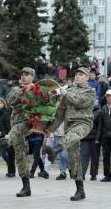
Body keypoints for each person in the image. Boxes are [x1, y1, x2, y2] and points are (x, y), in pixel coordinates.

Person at [43, 67, 96, 201]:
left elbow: (80, 101)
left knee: (73, 135)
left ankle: (55, 149)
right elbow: (61, 113)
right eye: (76, 74)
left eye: (81, 74)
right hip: (69, 124)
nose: (77, 76)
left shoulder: (90, 91)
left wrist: (65, 93)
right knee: (74, 157)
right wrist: (51, 128)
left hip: (83, 123)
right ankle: (80, 190)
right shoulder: (68, 92)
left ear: (87, 77)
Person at [0, 67, 36, 197]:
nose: (23, 77)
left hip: (28, 123)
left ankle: (3, 143)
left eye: (26, 74)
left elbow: (40, 103)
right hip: (15, 125)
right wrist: (22, 91)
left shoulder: (38, 89)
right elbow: (9, 101)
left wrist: (31, 91)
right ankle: (26, 187)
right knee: (20, 156)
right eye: (22, 74)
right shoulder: (16, 89)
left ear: (32, 76)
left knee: (16, 131)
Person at [80, 101, 101, 181]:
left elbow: (100, 126)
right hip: (84, 137)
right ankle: (82, 173)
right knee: (83, 156)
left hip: (95, 137)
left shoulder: (99, 111)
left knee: (95, 156)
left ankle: (93, 174)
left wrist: (98, 138)